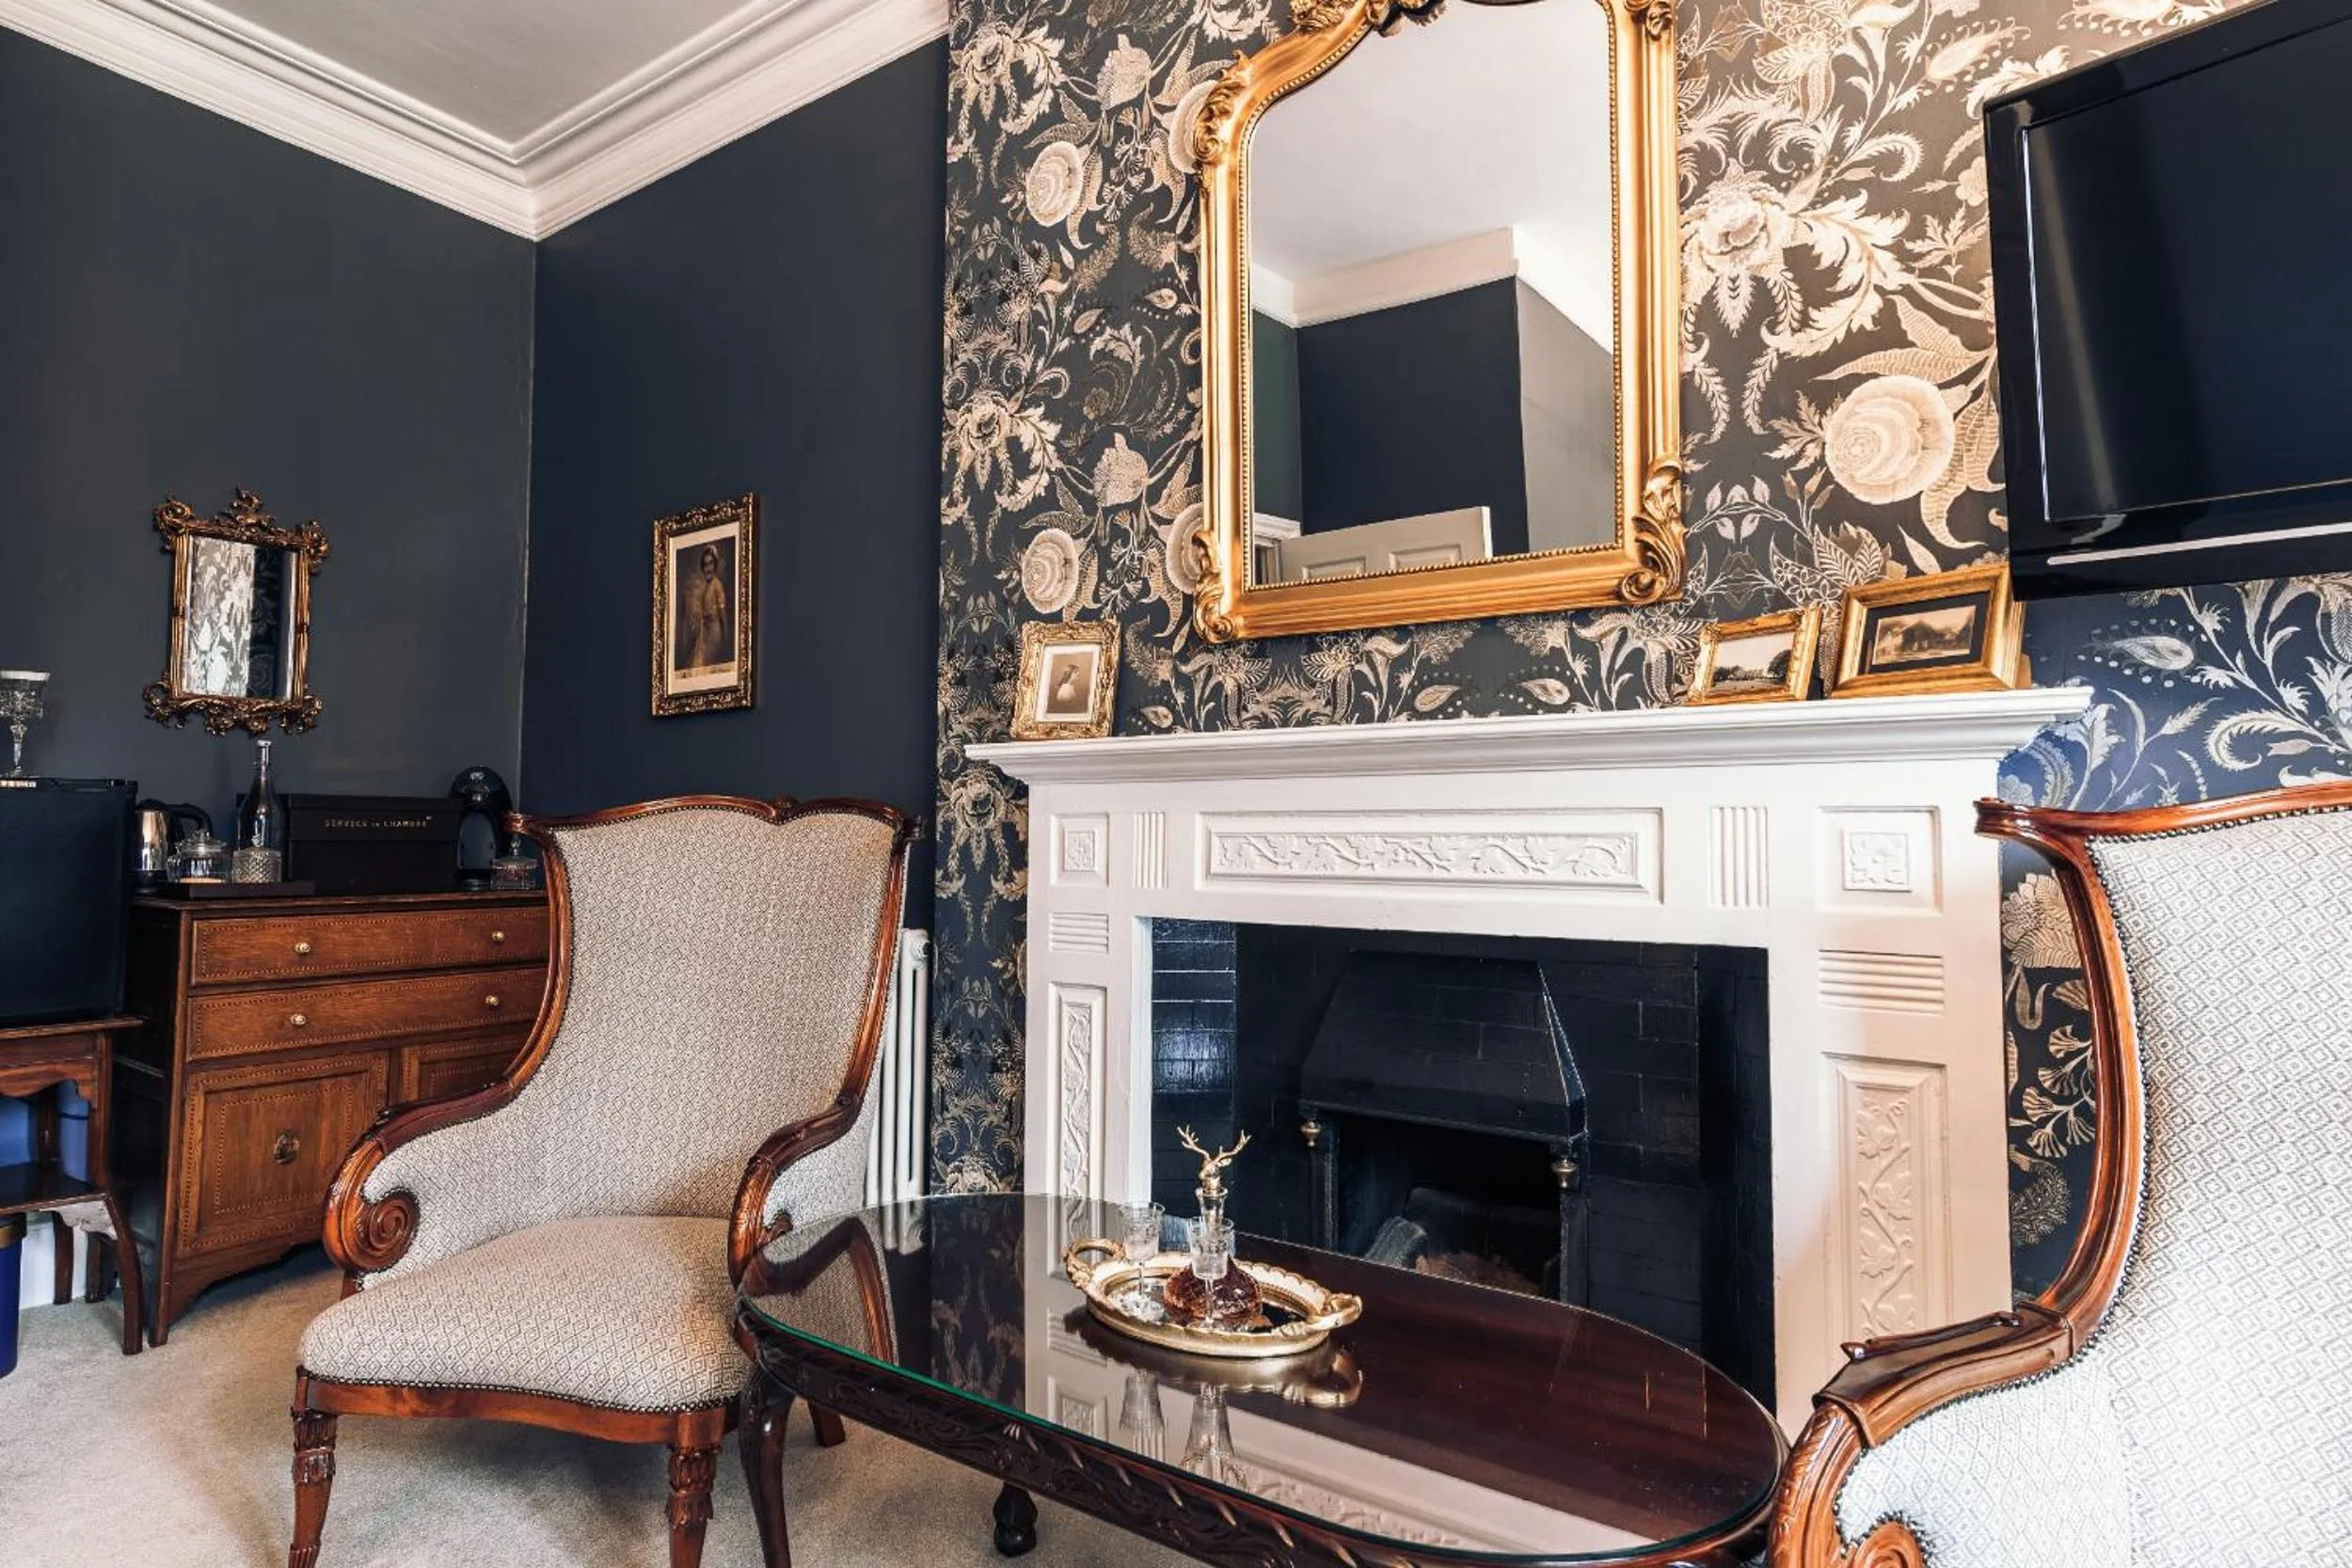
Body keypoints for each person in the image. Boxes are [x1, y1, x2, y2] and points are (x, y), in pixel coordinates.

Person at [680, 544, 731, 670]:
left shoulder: (717, 586)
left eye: (711, 564)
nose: (708, 568)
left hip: (714, 633)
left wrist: (726, 640)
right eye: (705, 565)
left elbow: (722, 614)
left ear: (715, 565)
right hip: (705, 633)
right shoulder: (706, 586)